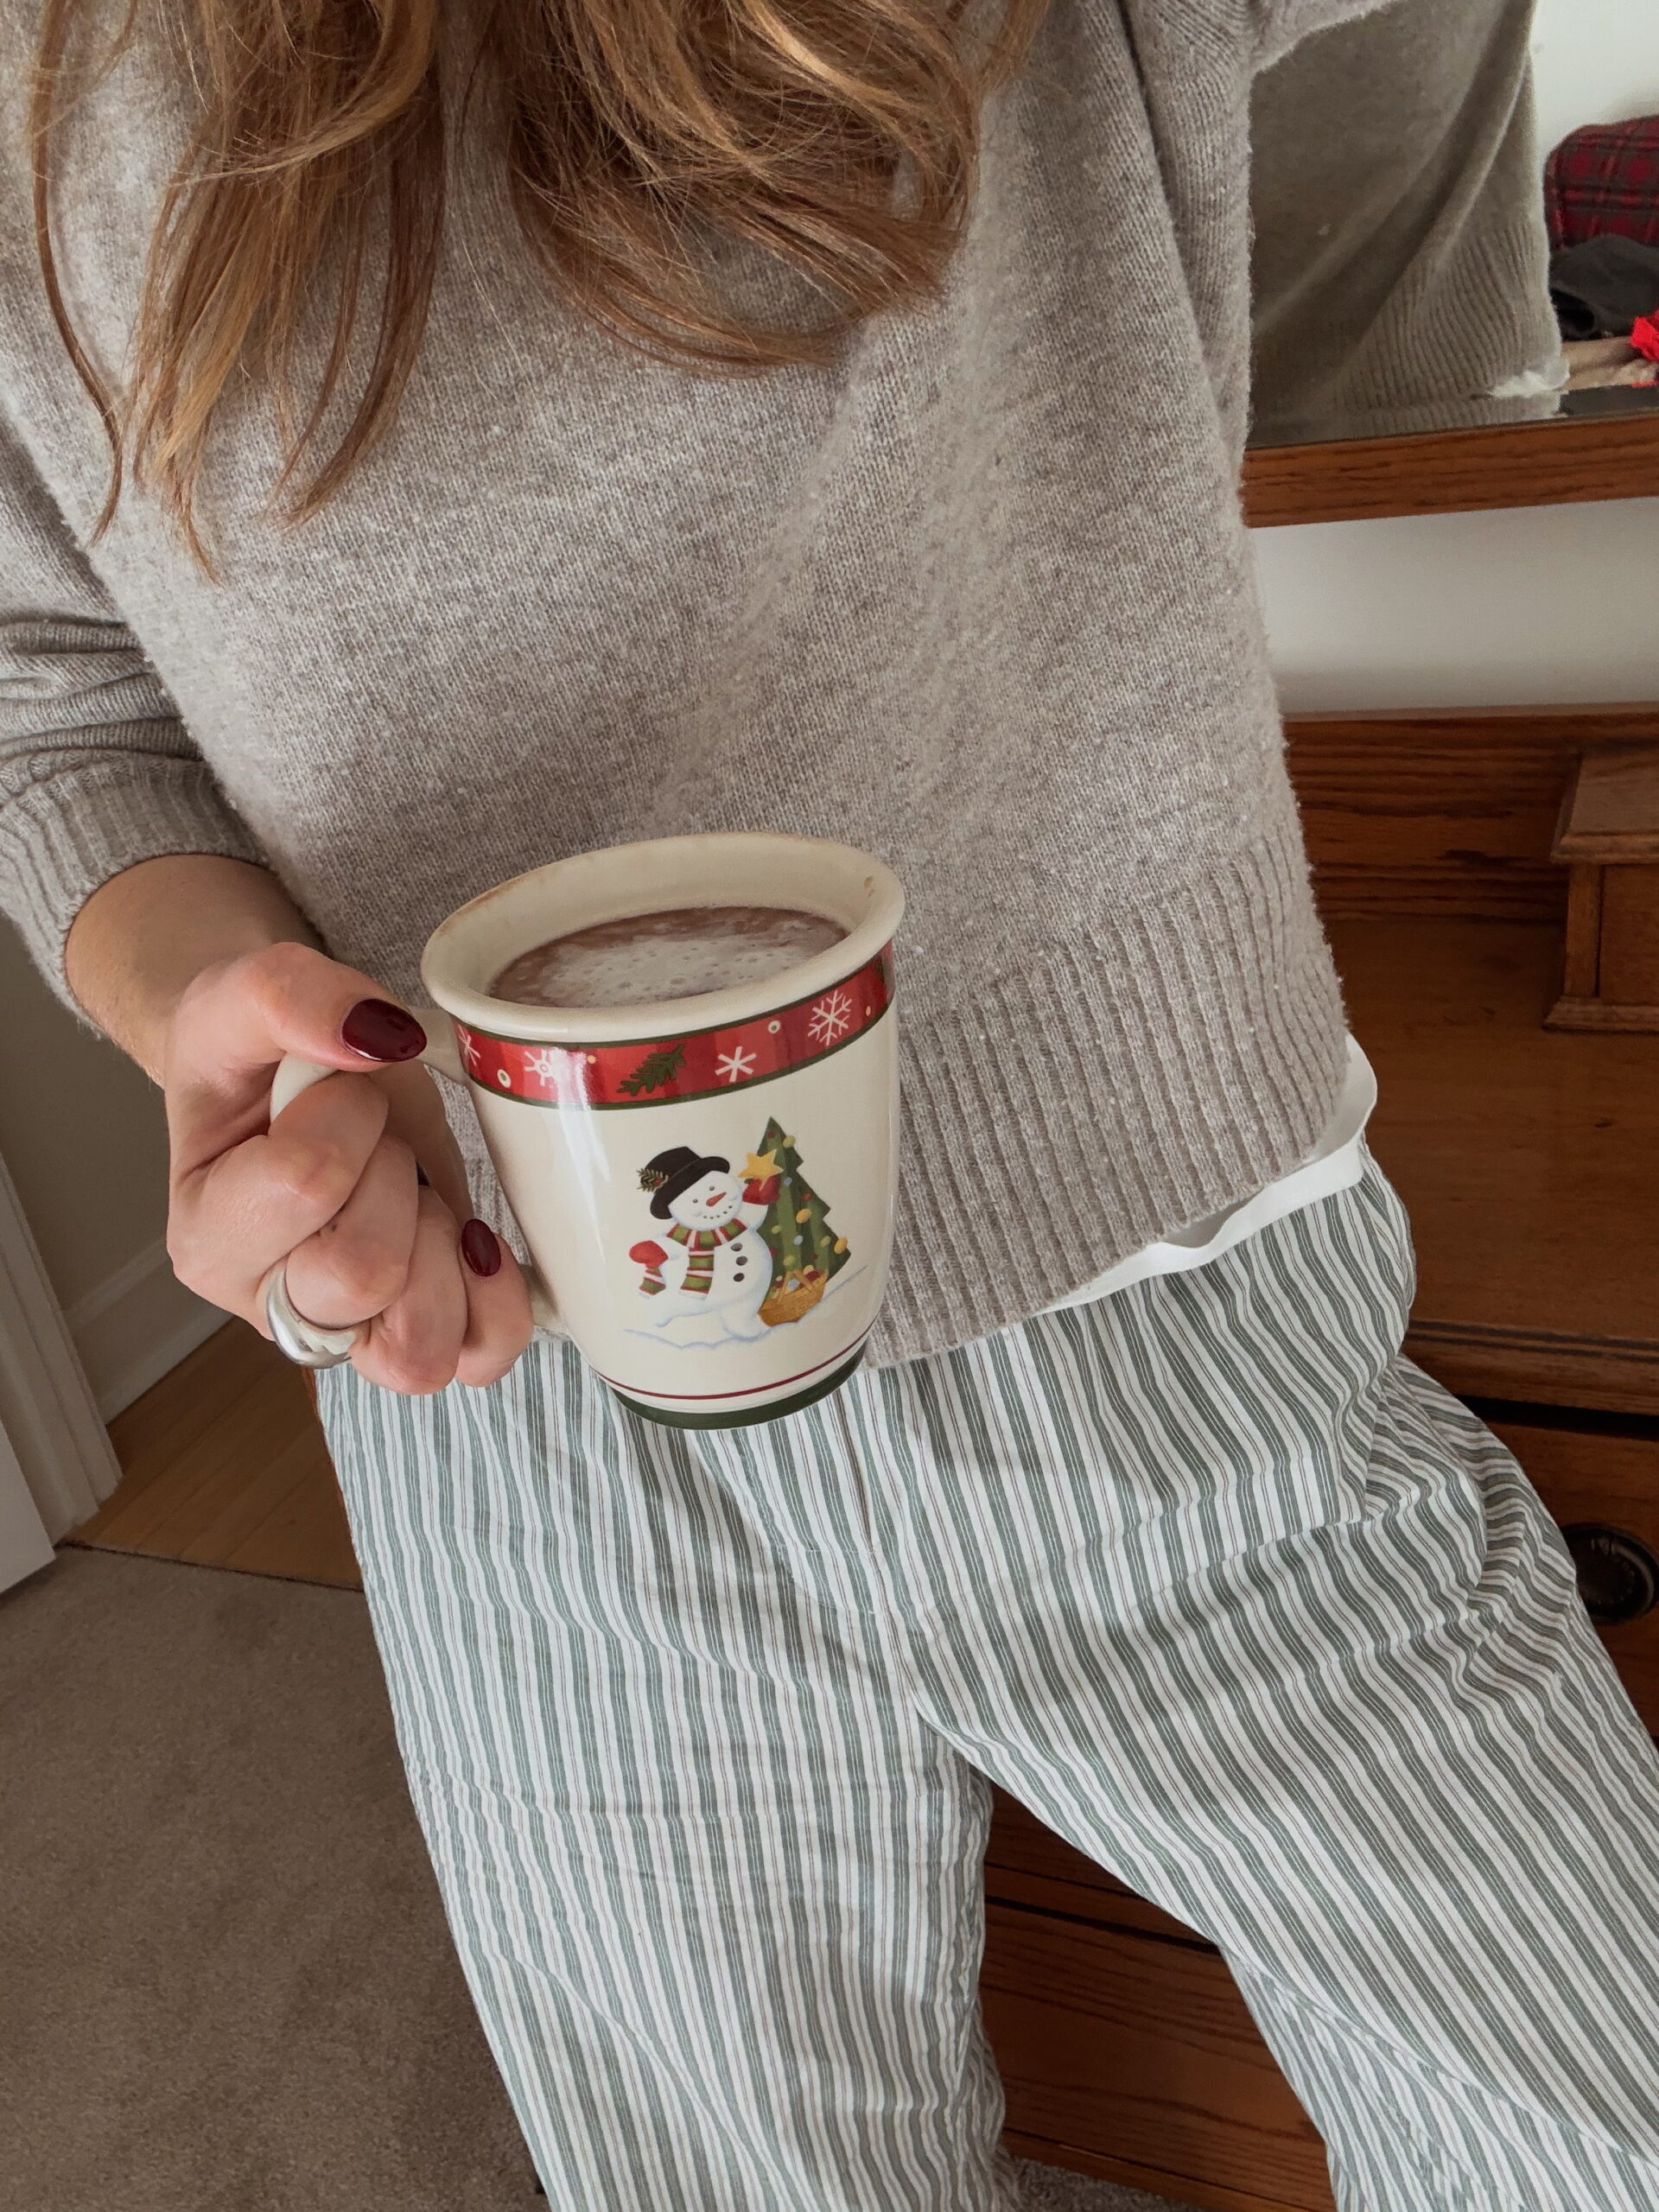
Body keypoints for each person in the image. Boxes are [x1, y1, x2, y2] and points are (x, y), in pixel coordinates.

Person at [3, 0, 1656, 2204]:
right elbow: (56, 690)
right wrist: (202, 996)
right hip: (500, 1372)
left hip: (1151, 1269)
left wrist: (1418, 360)